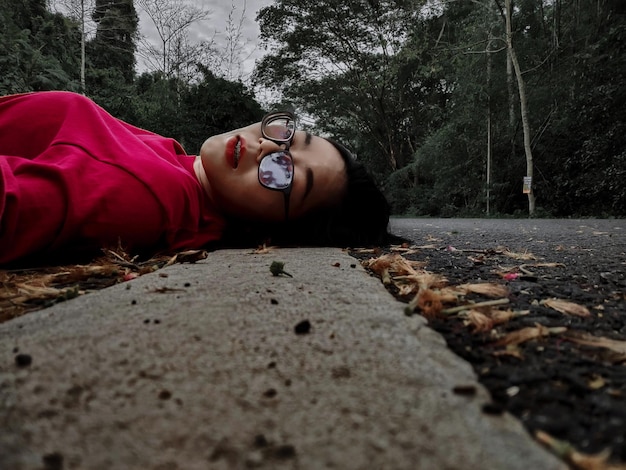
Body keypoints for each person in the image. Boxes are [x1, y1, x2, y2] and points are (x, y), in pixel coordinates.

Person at [0, 91, 390, 265]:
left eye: (282, 173)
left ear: (273, 233)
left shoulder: (145, 195)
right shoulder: (177, 164)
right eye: (288, 136)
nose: (267, 149)